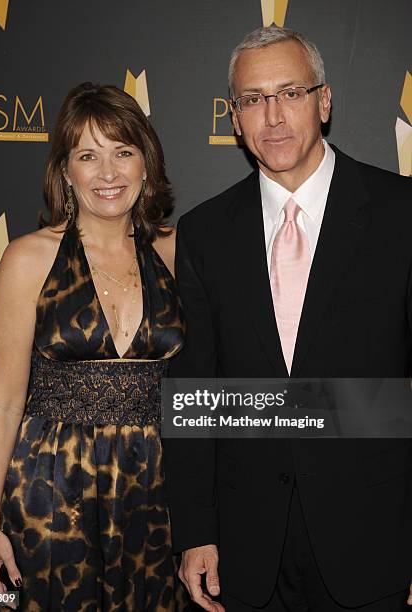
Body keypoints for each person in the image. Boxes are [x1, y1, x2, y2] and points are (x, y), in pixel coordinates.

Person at [163, 26, 412, 612]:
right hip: (248, 549)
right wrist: (196, 529)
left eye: (291, 93)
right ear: (234, 116)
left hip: (375, 540)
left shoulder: (402, 215)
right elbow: (192, 387)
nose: (272, 117)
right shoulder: (203, 232)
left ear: (324, 101)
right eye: (253, 99)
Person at [0, 82, 189, 611]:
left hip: (156, 491)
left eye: (123, 152)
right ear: (66, 171)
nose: (109, 173)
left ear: (146, 163)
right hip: (52, 491)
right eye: (88, 156)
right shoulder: (28, 259)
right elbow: (3, 405)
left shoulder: (178, 253)